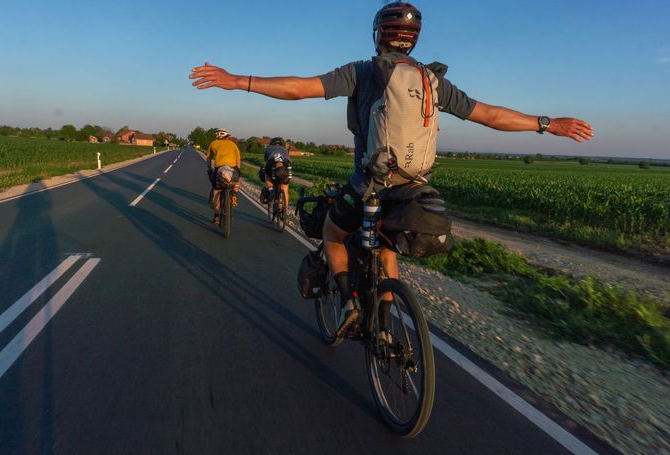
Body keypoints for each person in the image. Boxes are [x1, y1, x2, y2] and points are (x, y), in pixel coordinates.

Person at [190, 2, 593, 335]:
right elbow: (489, 115)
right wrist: (546, 124)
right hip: (413, 185)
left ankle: (349, 299)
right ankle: (384, 327)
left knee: (332, 232)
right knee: (384, 250)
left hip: (368, 183)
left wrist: (237, 80)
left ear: (377, 35)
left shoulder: (364, 72)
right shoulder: (432, 82)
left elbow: (299, 88)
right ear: (413, 39)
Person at [206, 128, 241, 225]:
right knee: (237, 180)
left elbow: (209, 158)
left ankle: (216, 217)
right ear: (227, 137)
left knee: (216, 190)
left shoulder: (213, 144)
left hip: (219, 169)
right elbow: (238, 159)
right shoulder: (233, 144)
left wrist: (209, 169)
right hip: (233, 168)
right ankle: (234, 193)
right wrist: (238, 171)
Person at [259, 137, 292, 212]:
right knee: (285, 189)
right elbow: (289, 160)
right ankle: (285, 210)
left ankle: (271, 190)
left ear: (272, 144)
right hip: (285, 166)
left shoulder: (268, 149)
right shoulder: (285, 149)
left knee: (267, 176)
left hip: (271, 163)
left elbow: (266, 161)